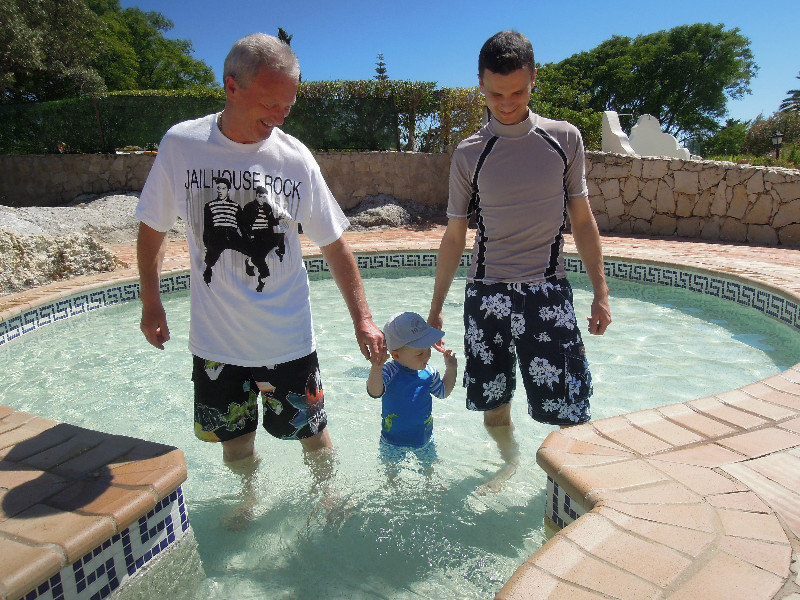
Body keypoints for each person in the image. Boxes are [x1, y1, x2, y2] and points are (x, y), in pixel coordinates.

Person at [136, 33, 385, 484]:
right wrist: (150, 302)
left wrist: (363, 319)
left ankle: (327, 501)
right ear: (232, 87)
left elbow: (334, 243)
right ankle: (247, 503)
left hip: (286, 340)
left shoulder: (295, 159)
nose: (279, 116)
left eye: (287, 106)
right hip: (216, 345)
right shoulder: (182, 145)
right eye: (271, 103)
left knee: (313, 435)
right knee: (235, 444)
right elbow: (152, 227)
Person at [427, 31, 611, 457]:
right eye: (495, 94)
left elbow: (582, 221)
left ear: (533, 80)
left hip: (548, 289)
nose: (507, 103)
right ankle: (507, 466)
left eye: (518, 92)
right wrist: (437, 306)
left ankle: (560, 489)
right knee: (494, 403)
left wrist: (601, 293)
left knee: (569, 405)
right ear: (480, 84)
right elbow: (455, 235)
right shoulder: (469, 153)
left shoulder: (564, 139)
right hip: (486, 292)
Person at [367, 312, 457, 474]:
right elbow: (374, 392)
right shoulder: (389, 371)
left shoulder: (429, 372)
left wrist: (451, 369)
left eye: (428, 349)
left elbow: (443, 392)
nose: (427, 356)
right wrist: (376, 367)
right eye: (420, 353)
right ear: (396, 355)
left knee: (429, 471)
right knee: (391, 476)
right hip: (392, 442)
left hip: (424, 439)